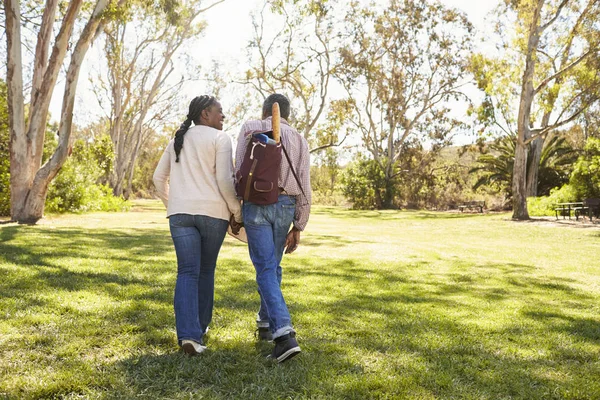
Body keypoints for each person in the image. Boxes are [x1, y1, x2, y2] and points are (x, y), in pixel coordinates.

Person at [153, 95, 243, 356]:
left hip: (180, 215)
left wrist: (174, 204)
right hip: (213, 214)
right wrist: (237, 212)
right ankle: (199, 330)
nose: (223, 117)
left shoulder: (177, 140)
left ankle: (188, 336)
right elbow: (226, 182)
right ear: (205, 114)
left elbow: (159, 179)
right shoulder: (220, 139)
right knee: (205, 271)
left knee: (186, 272)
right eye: (220, 111)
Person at [235, 93, 312, 363]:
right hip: (286, 206)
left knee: (266, 268)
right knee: (272, 266)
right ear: (287, 113)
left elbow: (239, 171)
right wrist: (299, 224)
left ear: (265, 109)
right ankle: (266, 323)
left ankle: (284, 334)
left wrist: (237, 210)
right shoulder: (300, 139)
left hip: (256, 205)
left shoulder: (249, 128)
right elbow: (304, 183)